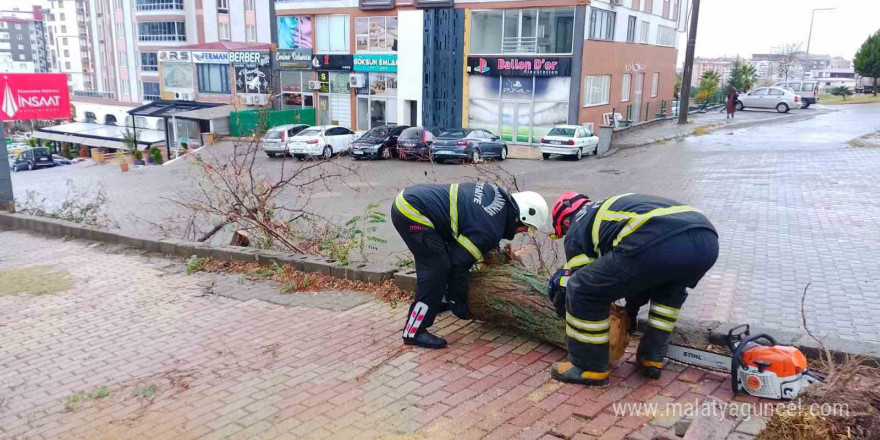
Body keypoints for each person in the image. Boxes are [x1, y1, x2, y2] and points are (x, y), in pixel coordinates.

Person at [546, 192, 718, 387]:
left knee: (582, 288)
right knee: (668, 292)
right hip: (706, 240)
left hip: (658, 238)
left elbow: (582, 282)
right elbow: (638, 278)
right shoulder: (605, 210)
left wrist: (564, 304)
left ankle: (588, 367)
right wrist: (631, 311)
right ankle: (651, 357)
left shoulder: (577, 227)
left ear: (565, 222)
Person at [392, 183, 548, 349]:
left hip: (413, 199)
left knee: (442, 260)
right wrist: (458, 300)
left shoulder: (496, 195)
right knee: (436, 269)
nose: (524, 231)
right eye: (528, 227)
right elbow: (459, 263)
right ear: (520, 216)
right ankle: (414, 331)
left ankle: (436, 302)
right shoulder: (490, 230)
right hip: (412, 211)